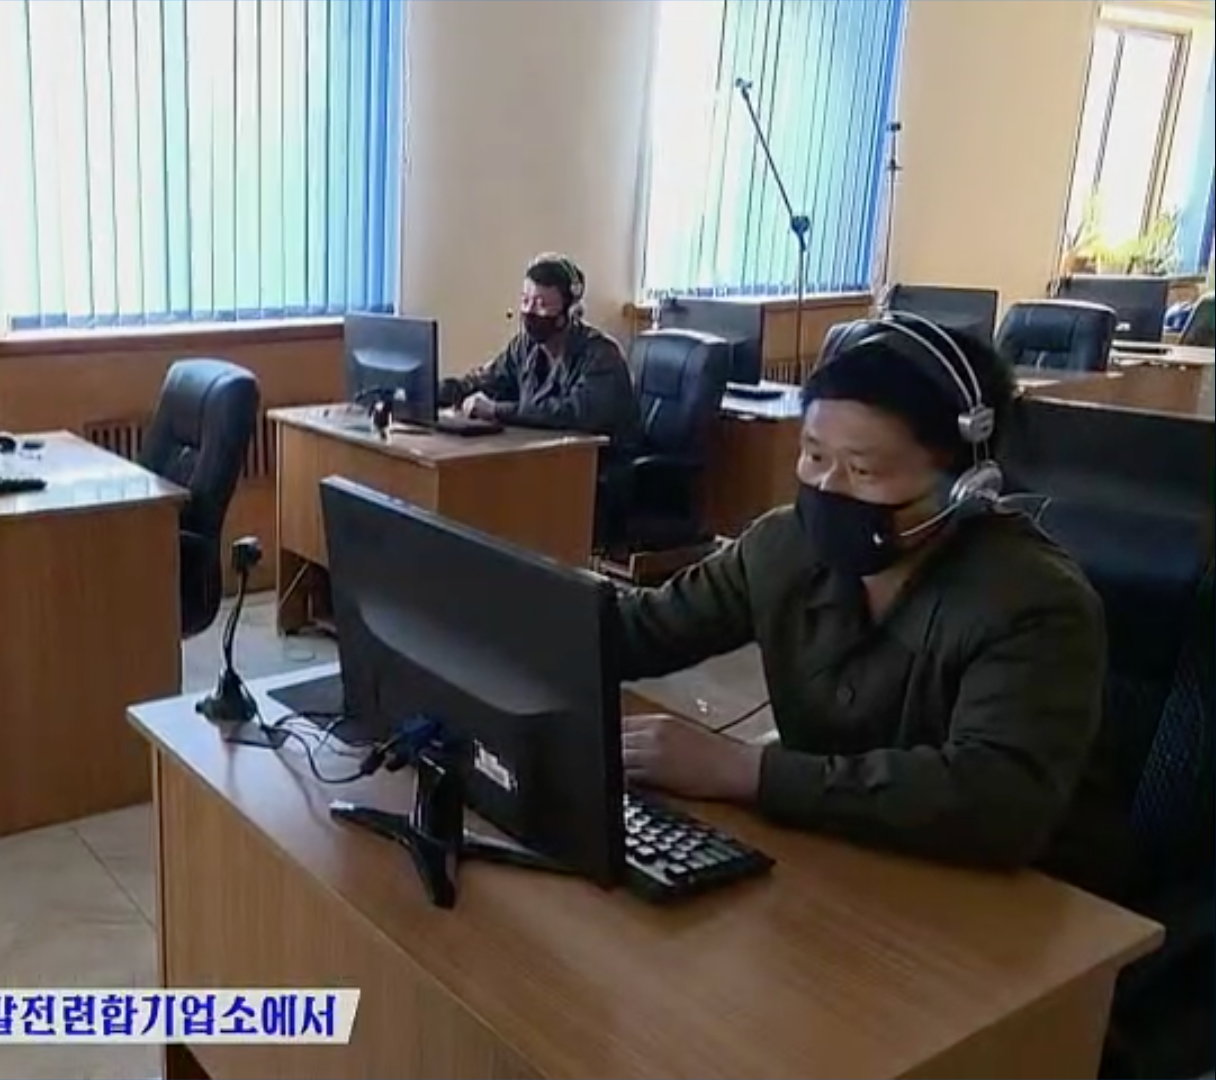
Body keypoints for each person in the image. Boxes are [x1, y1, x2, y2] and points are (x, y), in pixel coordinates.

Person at [612, 313, 1125, 897]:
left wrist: (743, 770)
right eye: (813, 456)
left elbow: (995, 797)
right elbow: (644, 629)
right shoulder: (782, 545)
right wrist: (533, 616)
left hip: (1005, 900)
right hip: (834, 864)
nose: (827, 487)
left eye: (862, 470)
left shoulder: (1034, 603)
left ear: (965, 484)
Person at [439, 253, 640, 448]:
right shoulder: (524, 347)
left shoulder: (602, 355)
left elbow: (571, 414)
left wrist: (496, 410)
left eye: (541, 304)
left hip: (597, 463)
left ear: (569, 311)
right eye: (525, 301)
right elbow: (487, 380)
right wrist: (438, 392)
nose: (529, 311)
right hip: (546, 457)